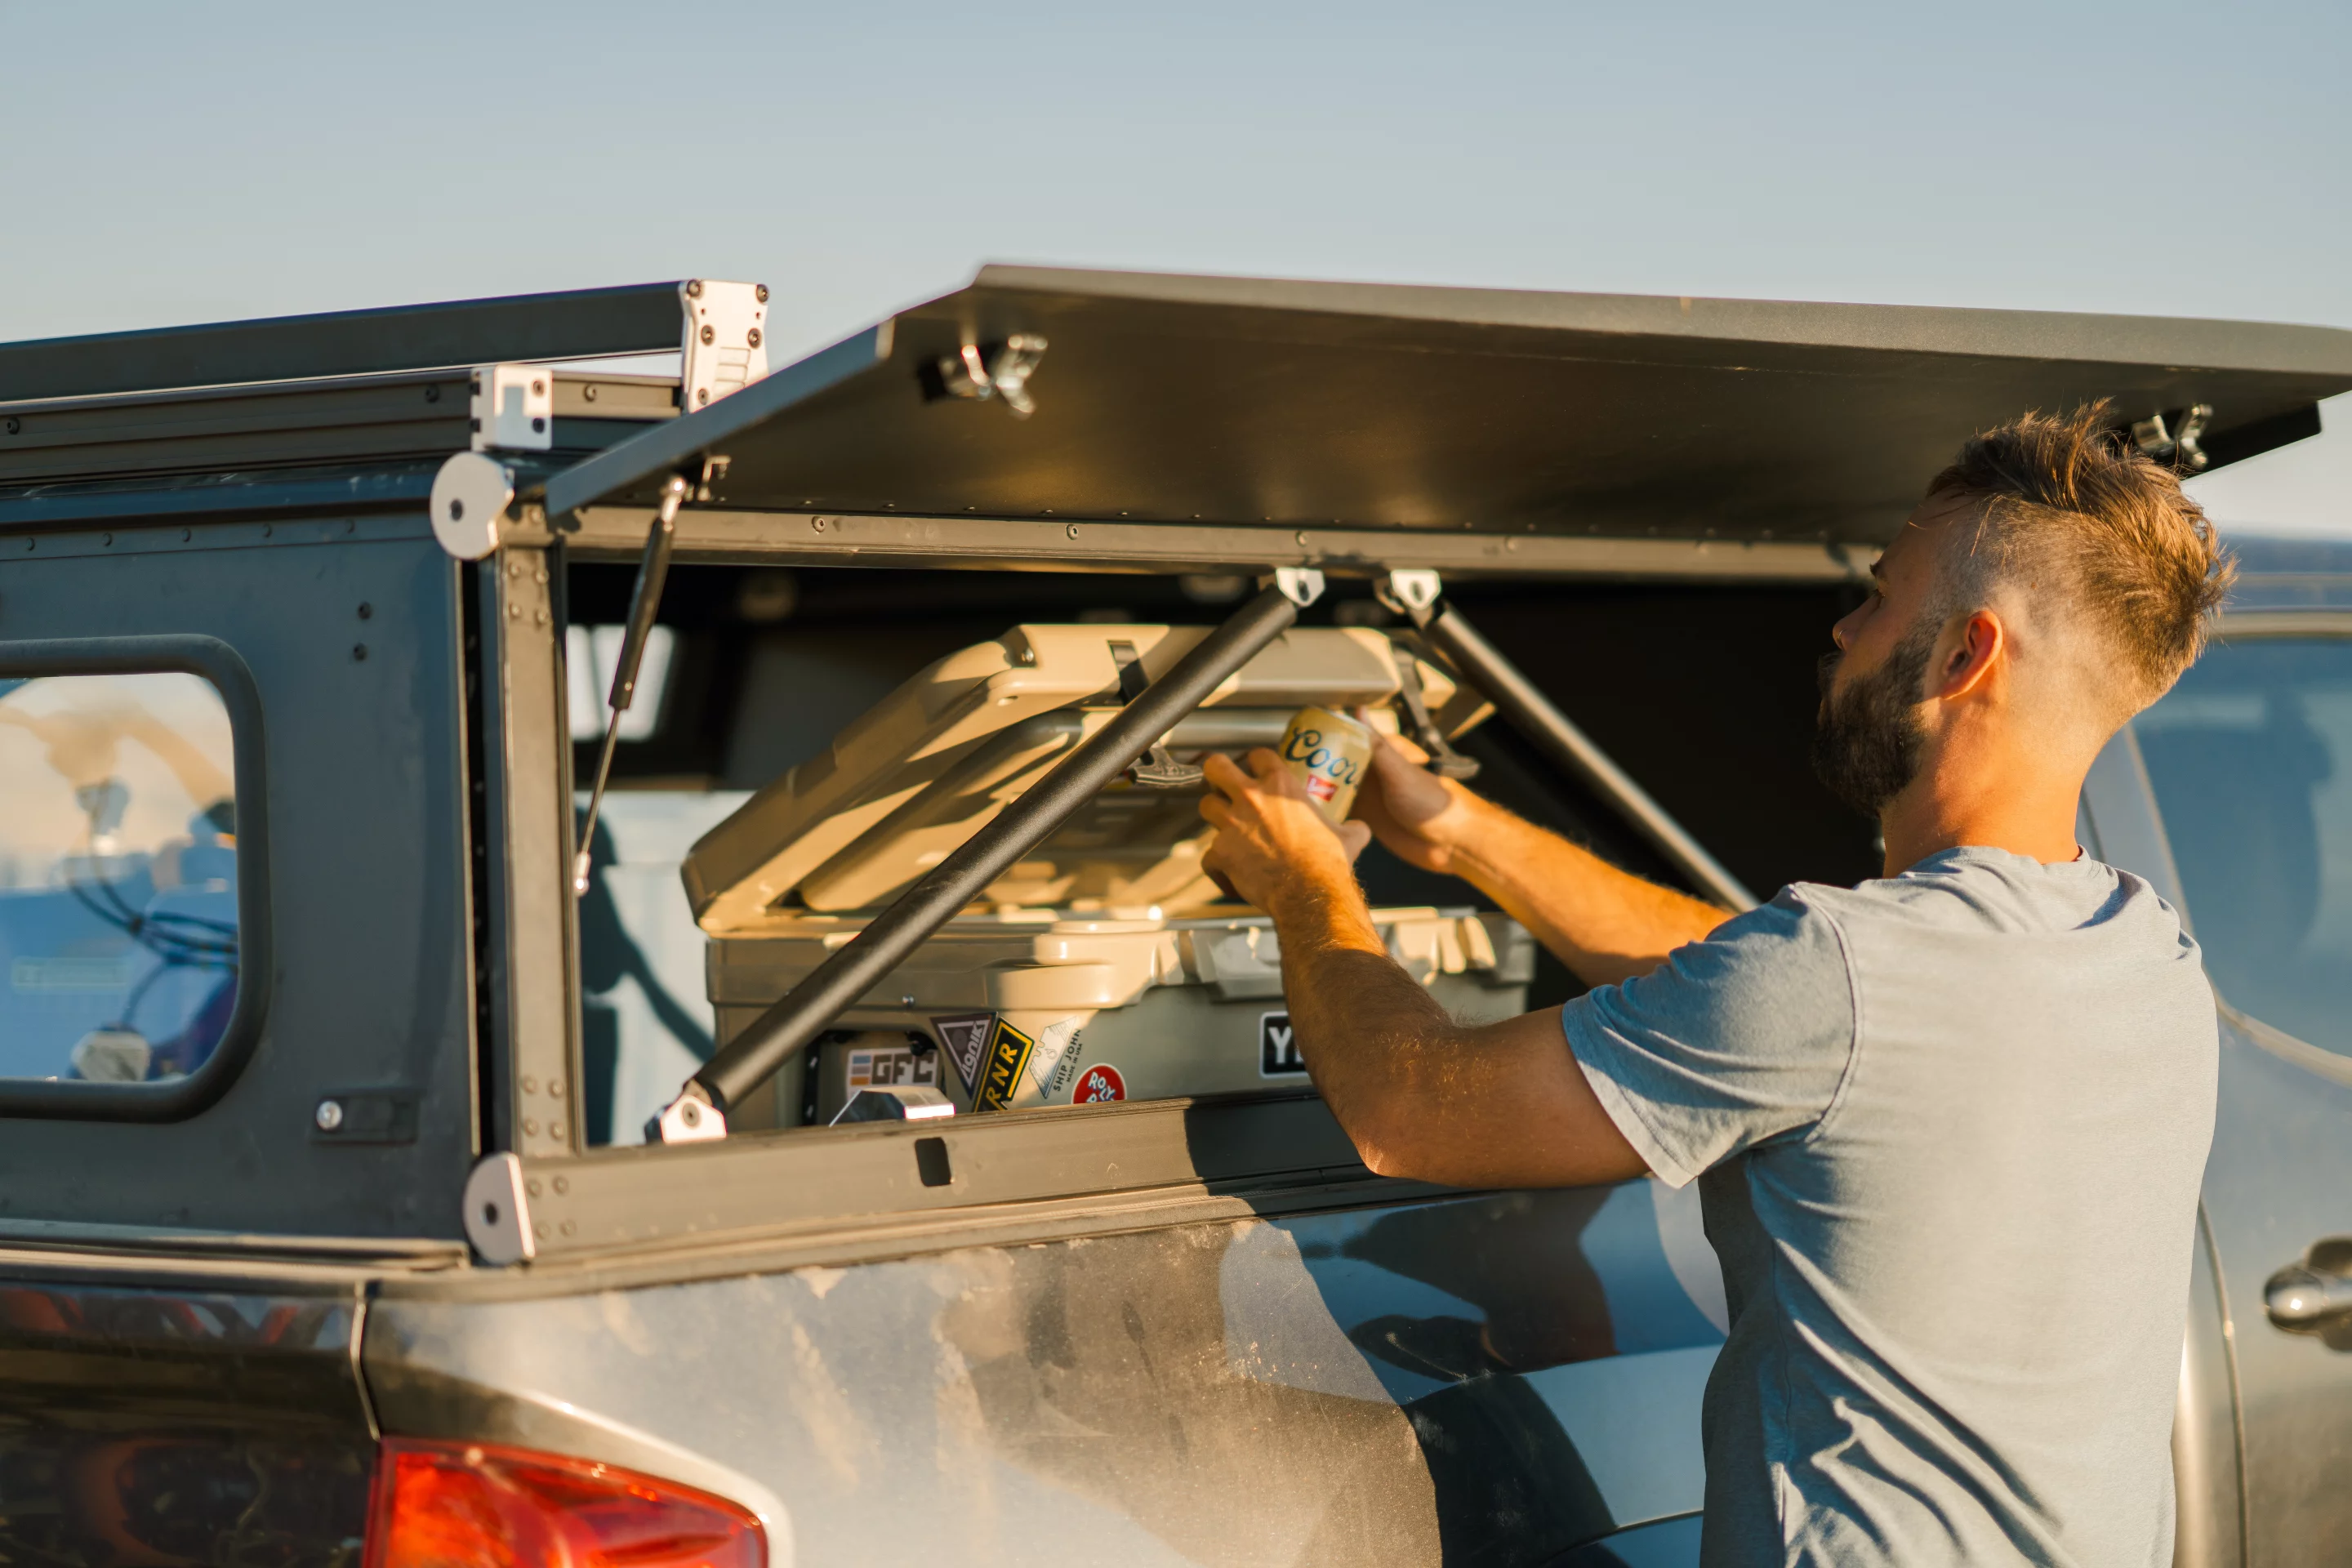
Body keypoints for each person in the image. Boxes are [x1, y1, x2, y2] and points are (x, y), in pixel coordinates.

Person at [1198, 404, 2230, 1568]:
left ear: (1963, 655)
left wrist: (1302, 883)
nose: (1842, 630)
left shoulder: (1841, 981)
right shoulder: (2146, 957)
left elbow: (1411, 1112)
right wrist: (1465, 836)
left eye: (1879, 595)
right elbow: (1775, 995)